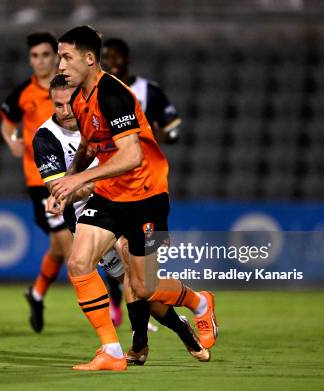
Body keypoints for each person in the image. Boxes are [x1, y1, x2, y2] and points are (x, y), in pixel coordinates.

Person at [51, 26, 217, 371]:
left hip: (146, 196)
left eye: (66, 57)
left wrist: (81, 179)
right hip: (111, 195)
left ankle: (200, 302)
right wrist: (68, 183)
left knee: (144, 288)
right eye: (59, 57)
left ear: (89, 58)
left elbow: (131, 157)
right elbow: (89, 144)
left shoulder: (114, 95)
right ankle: (111, 352)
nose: (60, 65)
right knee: (79, 263)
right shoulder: (79, 97)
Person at [101, 37, 183, 326]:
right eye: (105, 57)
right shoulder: (97, 94)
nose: (111, 62)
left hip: (148, 187)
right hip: (112, 187)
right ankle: (134, 330)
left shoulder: (149, 91)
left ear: (127, 60)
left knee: (146, 277)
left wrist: (146, 137)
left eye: (116, 57)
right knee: (109, 251)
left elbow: (174, 130)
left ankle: (193, 302)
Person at [0, 32, 72, 333]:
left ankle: (37, 292)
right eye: (35, 56)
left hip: (75, 176)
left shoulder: (67, 88)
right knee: (71, 248)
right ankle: (107, 315)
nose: (40, 61)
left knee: (58, 246)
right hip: (41, 181)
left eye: (45, 54)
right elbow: (7, 123)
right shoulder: (22, 93)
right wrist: (11, 141)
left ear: (55, 56)